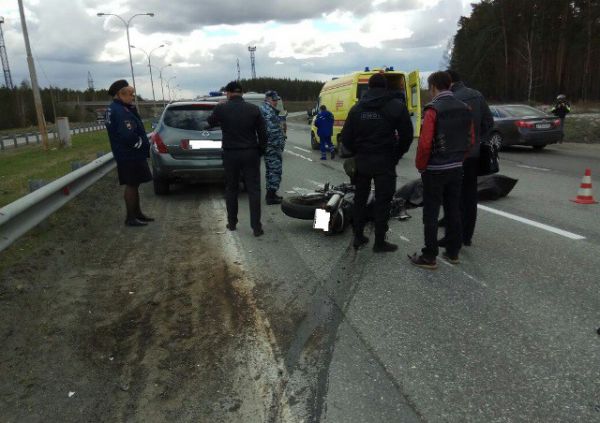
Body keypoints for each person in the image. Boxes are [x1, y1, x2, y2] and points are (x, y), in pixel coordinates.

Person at [341, 73, 413, 252]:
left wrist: (357, 152)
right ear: (386, 87)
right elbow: (407, 135)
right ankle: (380, 241)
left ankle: (358, 236)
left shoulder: (357, 108)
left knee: (359, 199)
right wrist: (396, 154)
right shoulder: (396, 106)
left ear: (369, 87)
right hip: (385, 161)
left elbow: (346, 138)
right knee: (384, 201)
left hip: (363, 161)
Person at [409, 71, 474, 269]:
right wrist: (459, 159)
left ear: (435, 87)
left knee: (431, 212)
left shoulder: (433, 110)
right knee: (453, 209)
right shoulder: (465, 108)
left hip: (435, 169)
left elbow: (426, 144)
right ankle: (453, 252)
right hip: (456, 167)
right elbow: (470, 139)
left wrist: (421, 166)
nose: (429, 93)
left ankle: (429, 256)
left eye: (430, 88)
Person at [440, 69, 494, 247]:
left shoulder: (448, 99)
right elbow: (488, 122)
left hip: (453, 155)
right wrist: (478, 140)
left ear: (448, 82)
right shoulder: (477, 95)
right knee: (470, 196)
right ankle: (466, 236)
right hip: (472, 154)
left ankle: (452, 237)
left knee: (452, 195)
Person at [207, 81, 267, 236]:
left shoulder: (221, 108)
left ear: (227, 93)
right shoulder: (254, 109)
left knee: (231, 189)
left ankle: (232, 223)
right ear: (242, 93)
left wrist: (218, 108)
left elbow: (210, 122)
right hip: (250, 153)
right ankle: (256, 227)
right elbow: (263, 134)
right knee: (254, 190)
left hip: (231, 154)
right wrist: (260, 151)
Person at [104, 79, 153, 227]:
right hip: (129, 154)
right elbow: (127, 135)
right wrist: (140, 144)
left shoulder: (116, 108)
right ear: (121, 94)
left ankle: (137, 214)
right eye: (130, 94)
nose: (132, 97)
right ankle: (131, 218)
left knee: (135, 184)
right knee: (131, 184)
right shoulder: (120, 111)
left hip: (127, 154)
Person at [259, 91, 286, 205]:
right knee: (275, 170)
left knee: (271, 170)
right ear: (268, 99)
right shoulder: (268, 111)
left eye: (276, 100)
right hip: (272, 146)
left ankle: (271, 194)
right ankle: (270, 196)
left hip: (272, 146)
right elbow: (271, 131)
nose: (276, 102)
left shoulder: (267, 110)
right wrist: (278, 143)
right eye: (274, 100)